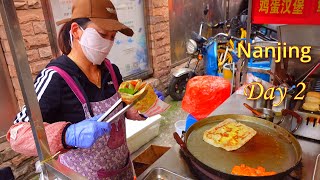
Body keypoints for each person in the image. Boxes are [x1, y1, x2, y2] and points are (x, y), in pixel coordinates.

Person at [6, 0, 150, 179]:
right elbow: (17, 134)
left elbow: (119, 107)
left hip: (122, 169)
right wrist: (67, 134)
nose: (108, 43)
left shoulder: (111, 70)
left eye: (113, 37)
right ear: (76, 31)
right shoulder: (55, 78)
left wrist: (136, 108)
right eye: (102, 34)